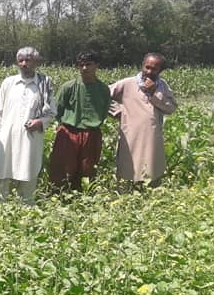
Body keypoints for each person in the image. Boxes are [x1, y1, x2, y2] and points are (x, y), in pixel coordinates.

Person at [0, 47, 56, 204]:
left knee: (28, 173)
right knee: (0, 175)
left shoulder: (44, 83)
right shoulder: (8, 83)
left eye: (28, 60)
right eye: (20, 61)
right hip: (6, 139)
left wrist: (40, 122)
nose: (24, 64)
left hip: (30, 140)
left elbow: (51, 112)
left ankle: (25, 211)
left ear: (36, 62)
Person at [108, 53, 177, 187]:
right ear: (142, 66)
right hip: (130, 134)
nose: (149, 71)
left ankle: (149, 193)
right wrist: (118, 112)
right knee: (128, 167)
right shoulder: (127, 83)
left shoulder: (162, 86)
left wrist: (154, 93)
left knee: (151, 167)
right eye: (147, 67)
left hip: (152, 135)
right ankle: (127, 193)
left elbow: (171, 108)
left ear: (160, 71)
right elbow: (103, 96)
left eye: (154, 69)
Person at [47, 51, 110, 191]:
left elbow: (104, 110)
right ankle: (59, 196)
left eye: (88, 64)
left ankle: (83, 198)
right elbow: (57, 109)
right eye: (81, 65)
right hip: (69, 132)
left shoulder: (103, 89)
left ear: (96, 66)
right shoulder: (69, 87)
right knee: (62, 167)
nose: (84, 68)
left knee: (88, 168)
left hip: (91, 133)